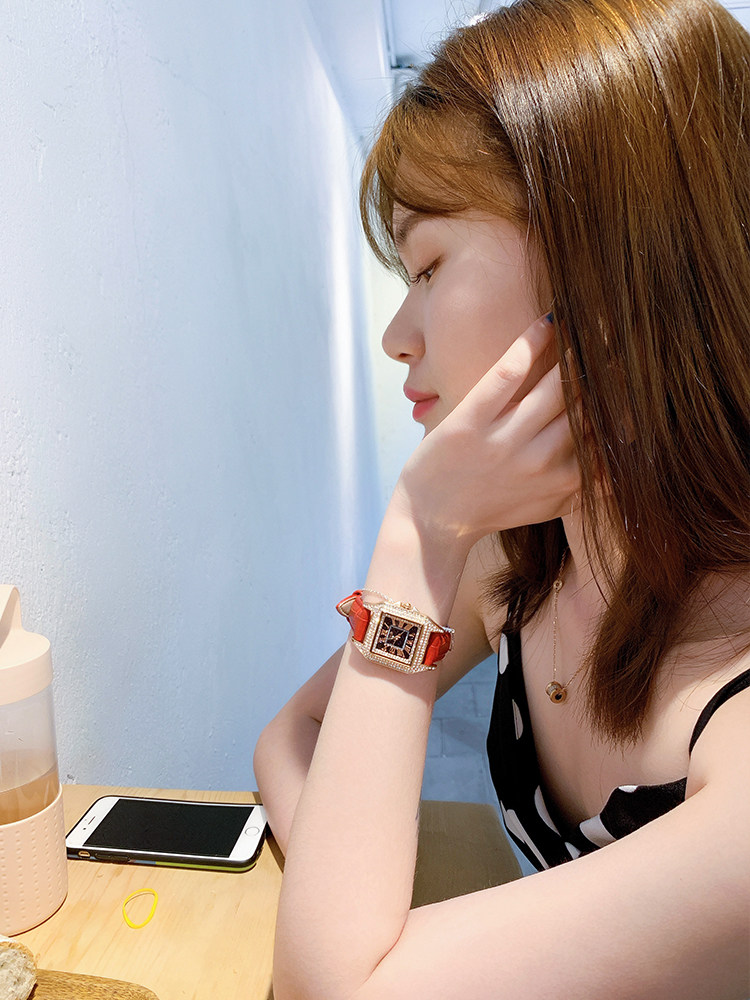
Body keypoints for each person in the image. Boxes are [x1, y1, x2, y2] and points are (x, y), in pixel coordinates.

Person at [254, 0, 750, 996]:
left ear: (604, 266)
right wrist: (345, 898)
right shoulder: (528, 561)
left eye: (429, 265)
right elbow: (288, 736)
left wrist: (419, 533)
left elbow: (333, 987)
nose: (397, 335)